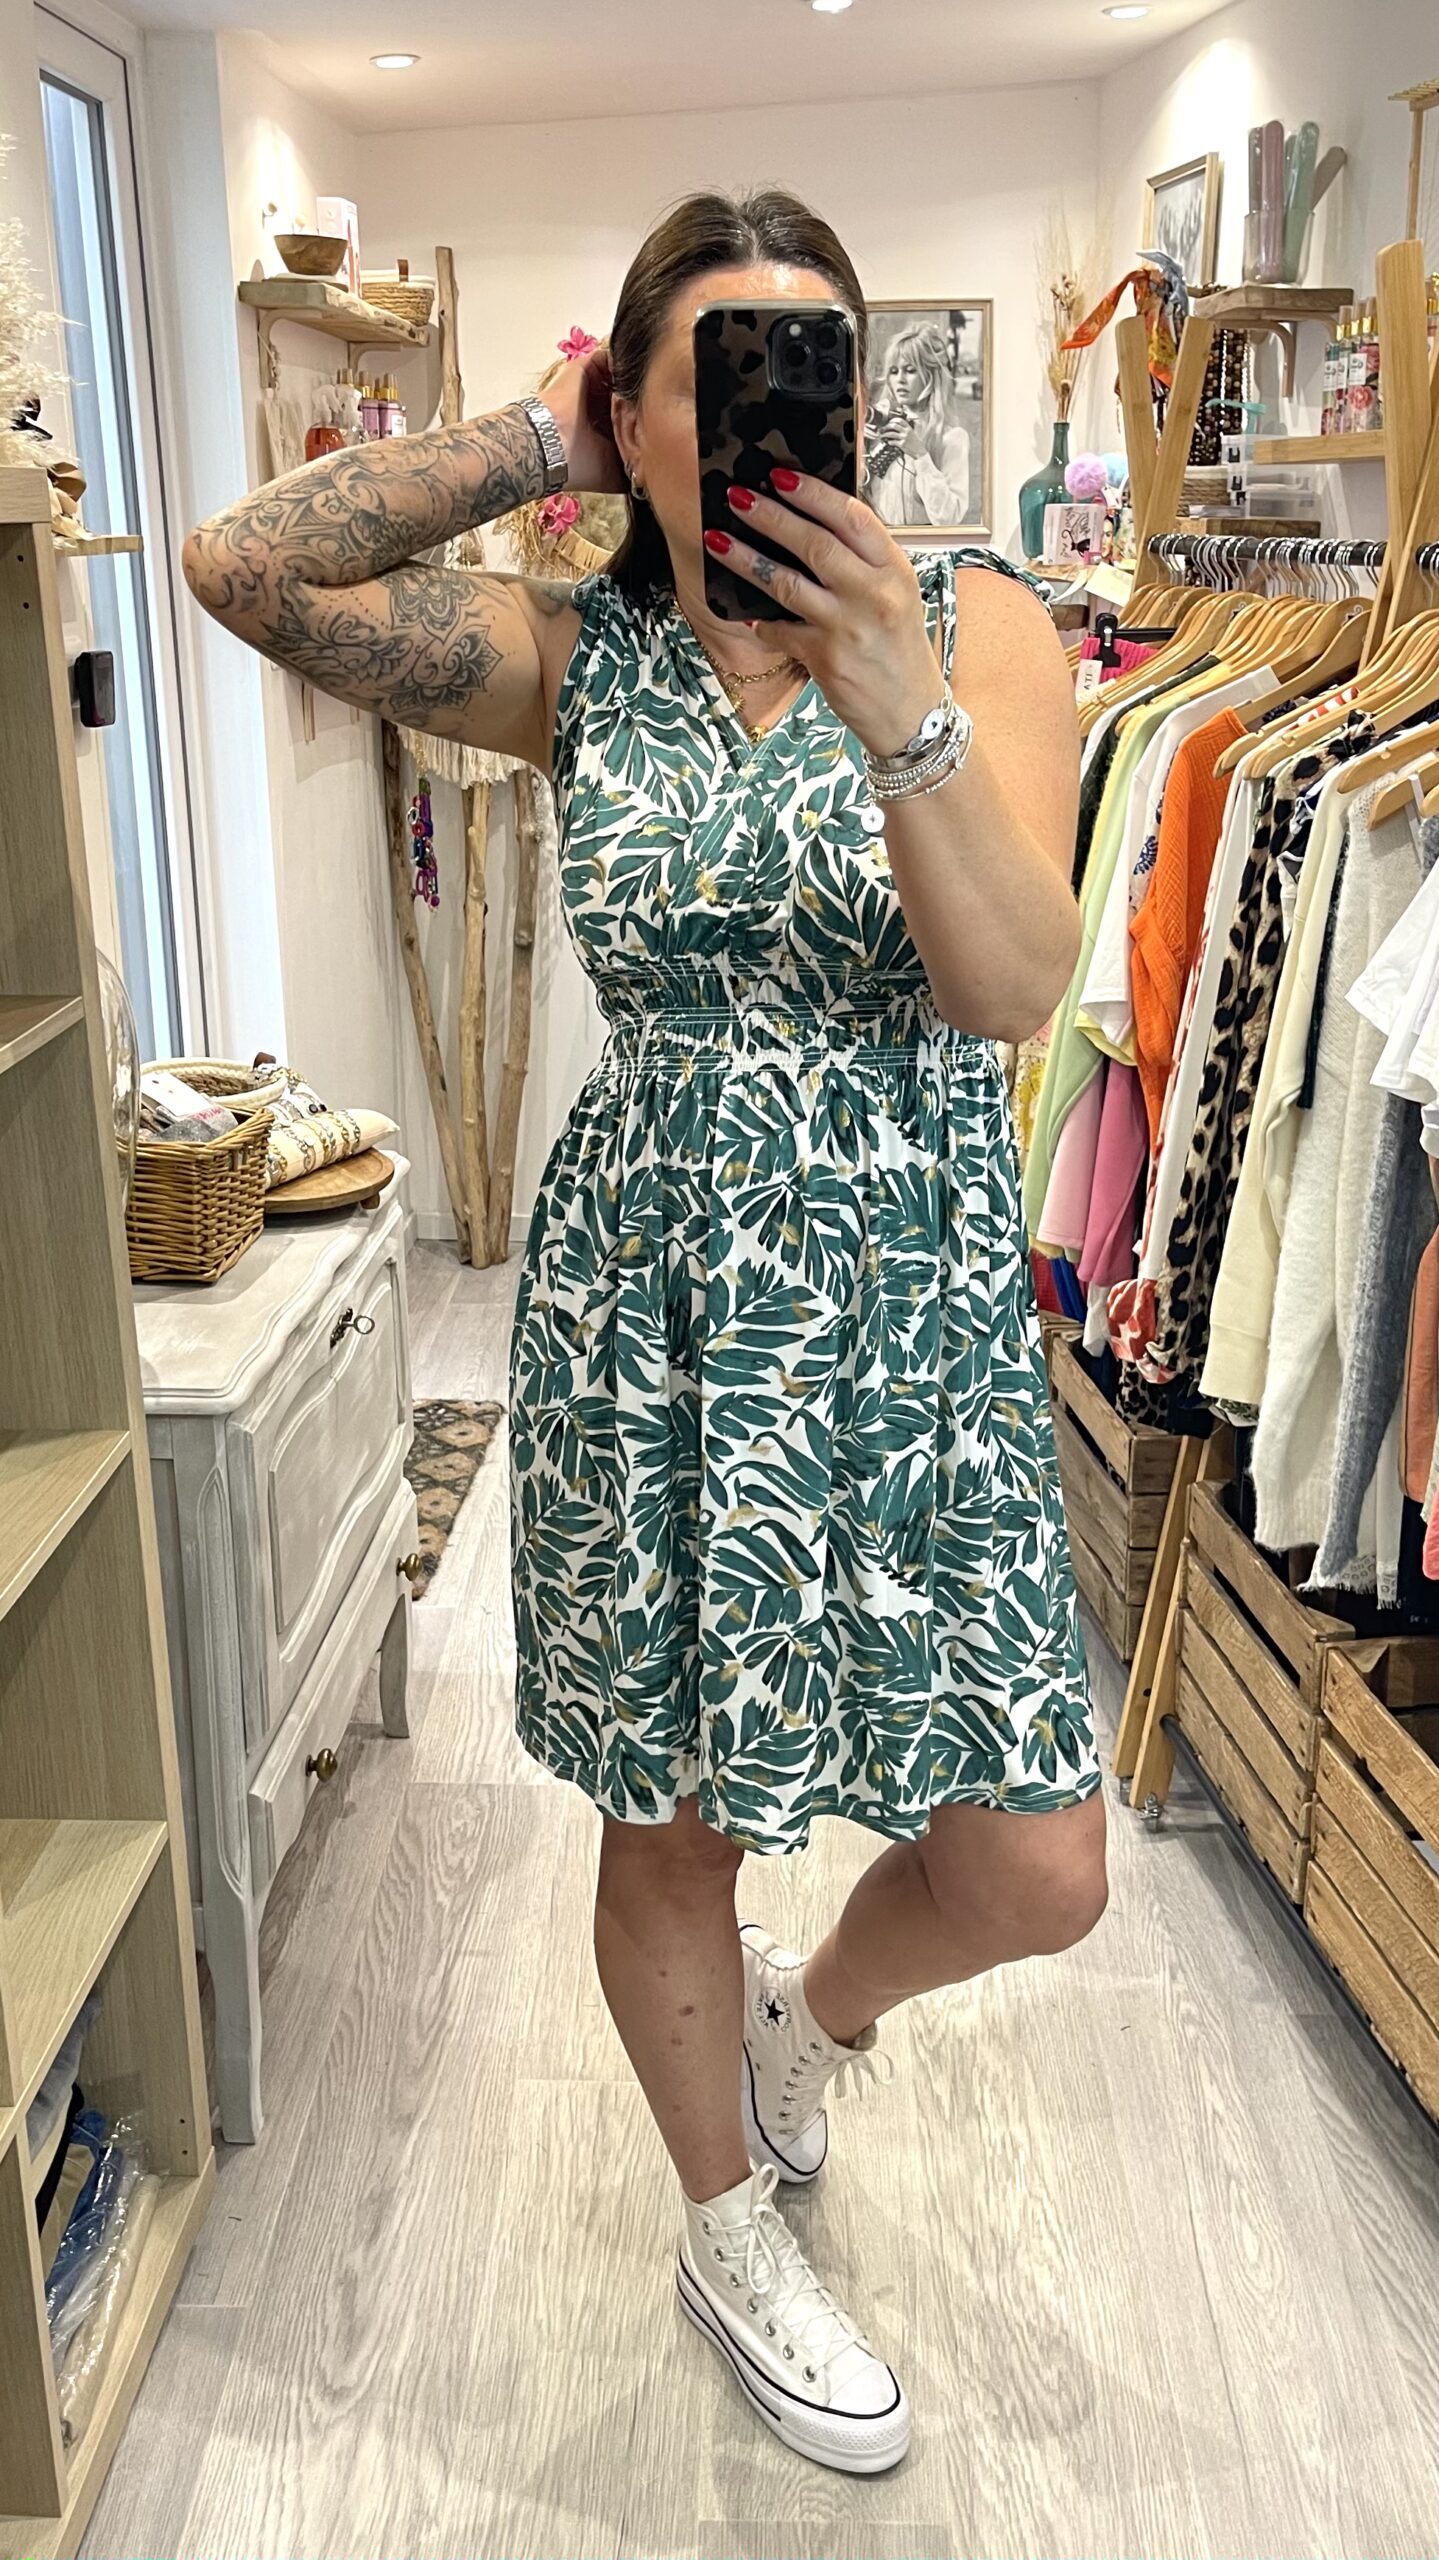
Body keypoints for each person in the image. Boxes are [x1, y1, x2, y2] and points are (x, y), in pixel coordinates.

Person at [183, 185, 1105, 2480]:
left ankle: (813, 2013)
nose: (771, 409)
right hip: (654, 1314)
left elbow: (1012, 987)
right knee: (670, 1817)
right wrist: (530, 441)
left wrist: (894, 706)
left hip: (903, 1319)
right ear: (634, 402)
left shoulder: (978, 626)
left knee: (1033, 1857)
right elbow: (240, 566)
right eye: (711, 369)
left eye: (812, 362)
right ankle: (722, 2225)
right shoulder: (572, 660)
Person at [865, 319, 974, 528]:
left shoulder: (952, 438)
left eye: (910, 370)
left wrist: (920, 455)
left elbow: (948, 518)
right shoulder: (881, 429)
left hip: (923, 544)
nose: (900, 379)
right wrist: (861, 448)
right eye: (894, 371)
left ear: (929, 376)